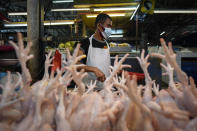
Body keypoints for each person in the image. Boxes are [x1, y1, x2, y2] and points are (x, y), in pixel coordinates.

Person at [77, 13, 112, 87]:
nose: (110, 29)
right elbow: (75, 64)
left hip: (105, 88)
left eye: (111, 27)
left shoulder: (107, 44)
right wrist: (94, 69)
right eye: (108, 26)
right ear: (99, 26)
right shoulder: (85, 43)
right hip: (88, 89)